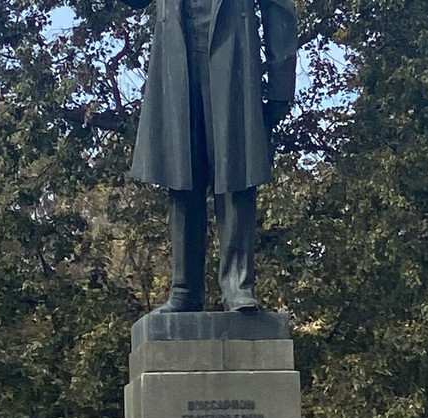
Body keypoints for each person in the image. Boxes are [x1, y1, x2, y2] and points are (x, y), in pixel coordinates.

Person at [123, 0, 298, 312]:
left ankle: (238, 285)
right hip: (178, 47)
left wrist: (281, 83)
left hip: (234, 51)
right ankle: (184, 289)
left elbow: (278, 7)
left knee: (237, 172)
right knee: (181, 172)